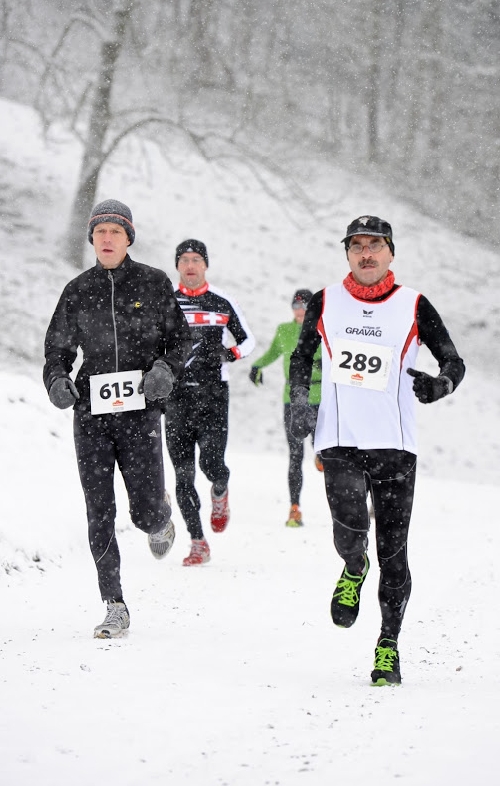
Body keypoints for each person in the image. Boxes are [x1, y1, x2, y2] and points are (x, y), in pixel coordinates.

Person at [289, 215, 465, 686]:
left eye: (375, 245)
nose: (366, 253)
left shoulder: (414, 304)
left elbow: (453, 359)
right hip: (340, 440)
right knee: (349, 533)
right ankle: (352, 565)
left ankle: (388, 645)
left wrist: (440, 383)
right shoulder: (326, 301)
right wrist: (301, 405)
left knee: (394, 551)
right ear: (347, 253)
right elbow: (300, 356)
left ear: (391, 253)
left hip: (395, 446)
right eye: (357, 245)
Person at [43, 199, 192, 638]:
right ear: (92, 239)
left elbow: (180, 340)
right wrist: (56, 380)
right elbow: (57, 351)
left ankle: (160, 517)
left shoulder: (154, 281)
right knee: (99, 509)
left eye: (116, 231)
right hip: (91, 412)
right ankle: (114, 604)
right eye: (100, 231)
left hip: (139, 412)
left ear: (129, 238)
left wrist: (164, 370)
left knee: (144, 511)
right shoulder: (77, 289)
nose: (107, 239)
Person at [163, 239, 255, 566]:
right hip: (175, 397)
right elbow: (148, 342)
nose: (190, 265)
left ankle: (220, 490)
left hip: (214, 394)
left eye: (196, 260)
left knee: (211, 465)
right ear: (177, 265)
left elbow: (249, 341)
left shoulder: (221, 301)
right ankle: (197, 541)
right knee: (183, 476)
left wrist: (228, 353)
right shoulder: (166, 302)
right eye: (184, 260)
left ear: (205, 265)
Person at [249, 289, 323, 527]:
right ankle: (295, 509)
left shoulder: (323, 329)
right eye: (296, 305)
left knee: (324, 450)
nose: (300, 310)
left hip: (320, 397)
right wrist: (257, 366)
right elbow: (273, 352)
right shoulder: (284, 330)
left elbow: (338, 357)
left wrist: (325, 364)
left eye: (305, 306)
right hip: (293, 399)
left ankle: (321, 455)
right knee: (295, 454)